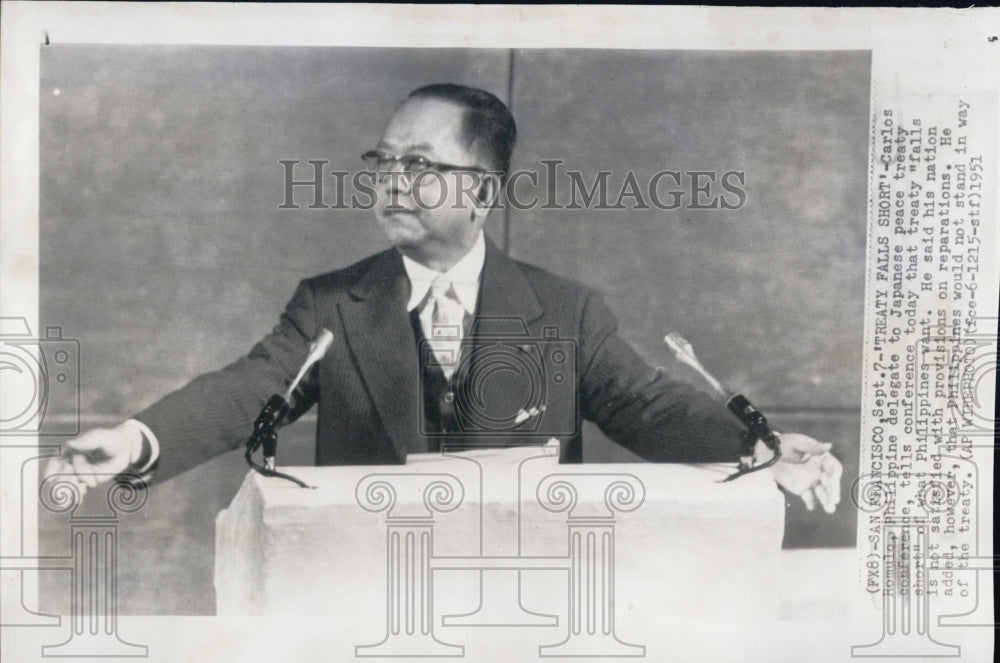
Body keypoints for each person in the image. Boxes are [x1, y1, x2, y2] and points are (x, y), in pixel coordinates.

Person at [48, 83, 842, 513]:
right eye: (382, 160)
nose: (392, 180)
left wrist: (765, 445)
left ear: (482, 192)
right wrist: (136, 438)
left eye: (419, 164)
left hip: (523, 600)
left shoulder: (566, 312)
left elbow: (650, 405)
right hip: (363, 596)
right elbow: (247, 389)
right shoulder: (332, 304)